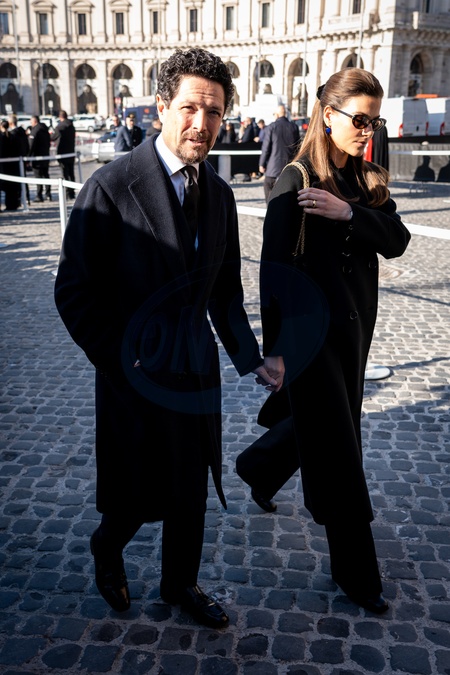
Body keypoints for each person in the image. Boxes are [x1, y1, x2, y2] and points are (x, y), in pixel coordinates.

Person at [54, 47, 277, 629]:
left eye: (215, 112)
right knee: (135, 489)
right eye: (190, 108)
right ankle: (107, 545)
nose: (202, 123)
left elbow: (224, 290)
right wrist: (122, 361)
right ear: (161, 107)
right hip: (132, 372)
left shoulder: (220, 194)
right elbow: (73, 292)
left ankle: (181, 584)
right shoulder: (111, 185)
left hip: (195, 369)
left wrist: (251, 358)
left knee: (190, 487)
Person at [236, 68, 411, 614]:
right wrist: (275, 350)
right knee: (339, 450)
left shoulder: (365, 179)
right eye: (359, 119)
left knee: (324, 424)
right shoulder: (295, 179)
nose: (367, 130)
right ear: (328, 115)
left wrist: (349, 213)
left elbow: (398, 240)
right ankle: (356, 572)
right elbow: (273, 271)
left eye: (373, 121)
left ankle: (258, 467)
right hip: (311, 340)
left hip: (355, 335)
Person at [259, 104, 300, 203]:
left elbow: (266, 148)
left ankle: (270, 210)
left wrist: (262, 164)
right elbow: (297, 147)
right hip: (289, 166)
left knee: (269, 191)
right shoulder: (294, 127)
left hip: (273, 168)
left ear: (277, 114)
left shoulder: (272, 127)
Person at [51, 110, 76, 199]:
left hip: (62, 153)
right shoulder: (71, 126)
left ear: (60, 117)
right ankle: (72, 193)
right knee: (71, 173)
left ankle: (67, 192)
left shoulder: (59, 127)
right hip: (71, 152)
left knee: (65, 173)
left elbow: (53, 137)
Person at [8, 113, 30, 206]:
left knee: (17, 181)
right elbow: (27, 145)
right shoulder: (22, 132)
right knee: (24, 179)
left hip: (15, 160)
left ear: (10, 123)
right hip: (23, 158)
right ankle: (27, 198)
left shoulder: (13, 134)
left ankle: (19, 199)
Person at [28, 115, 52, 202]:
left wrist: (28, 156)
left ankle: (39, 195)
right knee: (46, 175)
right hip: (45, 155)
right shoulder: (45, 129)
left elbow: (31, 145)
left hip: (37, 157)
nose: (30, 123)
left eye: (31, 121)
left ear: (34, 121)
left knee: (38, 176)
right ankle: (48, 194)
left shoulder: (35, 131)